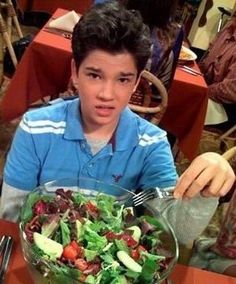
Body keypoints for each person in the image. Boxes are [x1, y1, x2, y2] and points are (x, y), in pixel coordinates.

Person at [0, 1, 234, 246]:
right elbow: (10, 216)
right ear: (74, 72)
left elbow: (175, 233)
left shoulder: (150, 144)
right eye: (94, 75)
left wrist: (207, 188)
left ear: (136, 83)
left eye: (123, 79)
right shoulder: (36, 129)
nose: (107, 94)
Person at [199, 15, 236, 130]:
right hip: (207, 86)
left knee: (184, 108)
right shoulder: (229, 26)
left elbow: (230, 91)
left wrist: (203, 90)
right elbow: (207, 60)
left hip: (225, 107)